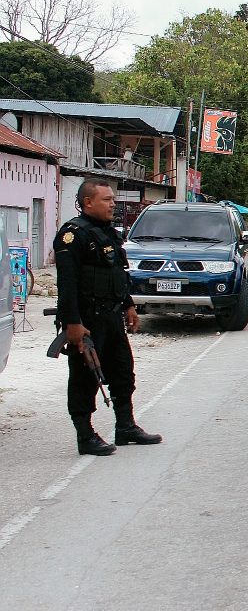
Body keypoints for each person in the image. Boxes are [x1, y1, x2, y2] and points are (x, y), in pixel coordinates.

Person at [54, 178, 161, 456]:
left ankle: (125, 426)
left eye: (113, 199)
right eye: (106, 199)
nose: (113, 204)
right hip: (87, 319)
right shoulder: (72, 235)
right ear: (88, 202)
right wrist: (73, 324)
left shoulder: (109, 234)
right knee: (85, 378)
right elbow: (67, 285)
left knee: (123, 372)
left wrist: (128, 305)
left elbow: (117, 273)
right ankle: (85, 436)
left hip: (112, 316)